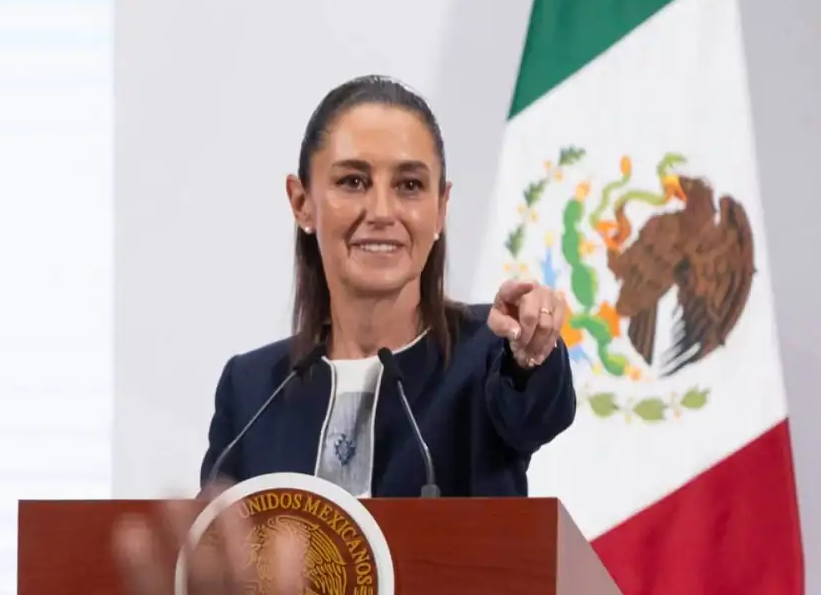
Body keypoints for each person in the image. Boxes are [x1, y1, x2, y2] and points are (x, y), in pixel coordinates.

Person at [114, 75, 576, 594]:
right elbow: (220, 560)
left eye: (409, 185)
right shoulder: (251, 389)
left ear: (441, 207)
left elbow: (536, 408)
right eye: (353, 181)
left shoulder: (488, 353)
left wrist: (532, 352)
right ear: (301, 201)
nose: (381, 212)